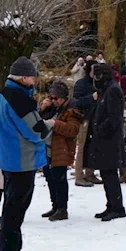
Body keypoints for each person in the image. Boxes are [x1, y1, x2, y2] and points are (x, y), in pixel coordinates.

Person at [0, 57, 49, 251]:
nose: (35, 80)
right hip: (20, 162)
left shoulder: (5, 94)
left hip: (10, 159)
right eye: (33, 76)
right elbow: (36, 131)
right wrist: (49, 125)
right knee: (14, 211)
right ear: (24, 77)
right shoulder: (18, 99)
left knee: (13, 208)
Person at [84, 64, 126, 222]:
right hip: (103, 140)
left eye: (97, 75)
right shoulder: (106, 90)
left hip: (109, 140)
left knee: (110, 174)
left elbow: (114, 117)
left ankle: (117, 207)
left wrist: (100, 129)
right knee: (106, 173)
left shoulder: (113, 90)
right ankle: (111, 204)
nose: (94, 78)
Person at [39, 81, 83, 222]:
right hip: (47, 148)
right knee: (50, 178)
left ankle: (62, 209)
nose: (53, 101)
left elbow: (73, 130)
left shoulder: (72, 110)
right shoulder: (51, 108)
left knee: (60, 179)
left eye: (56, 98)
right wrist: (42, 108)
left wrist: (55, 124)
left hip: (61, 148)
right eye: (51, 98)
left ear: (63, 98)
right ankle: (55, 206)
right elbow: (36, 122)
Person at [72, 60, 101, 187]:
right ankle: (79, 175)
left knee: (93, 146)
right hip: (84, 119)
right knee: (82, 147)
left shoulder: (98, 84)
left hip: (96, 119)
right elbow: (76, 102)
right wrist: (91, 98)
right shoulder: (80, 84)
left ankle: (90, 173)